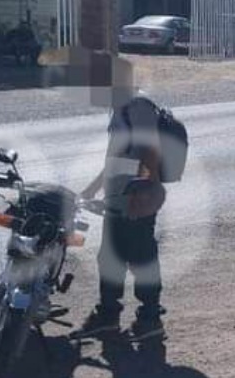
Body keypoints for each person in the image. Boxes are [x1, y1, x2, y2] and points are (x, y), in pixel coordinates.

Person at [71, 54, 168, 342]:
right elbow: (117, 158)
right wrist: (92, 189)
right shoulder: (120, 108)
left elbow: (151, 152)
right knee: (110, 259)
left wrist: (143, 191)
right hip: (118, 198)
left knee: (142, 258)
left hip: (136, 199)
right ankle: (108, 317)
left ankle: (150, 319)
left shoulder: (138, 106)